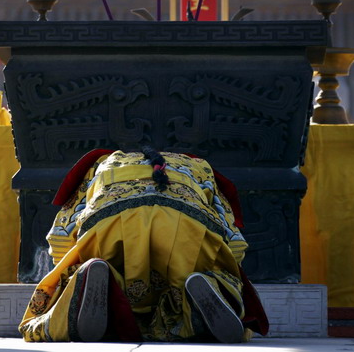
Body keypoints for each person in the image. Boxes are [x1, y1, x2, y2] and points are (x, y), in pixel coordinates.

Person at [19, 147, 268, 343]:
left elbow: (60, 237)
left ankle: (88, 285)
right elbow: (235, 244)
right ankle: (201, 298)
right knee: (211, 274)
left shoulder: (102, 165)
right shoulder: (200, 168)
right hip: (187, 226)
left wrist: (67, 267)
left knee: (81, 274)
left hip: (110, 222)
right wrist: (224, 266)